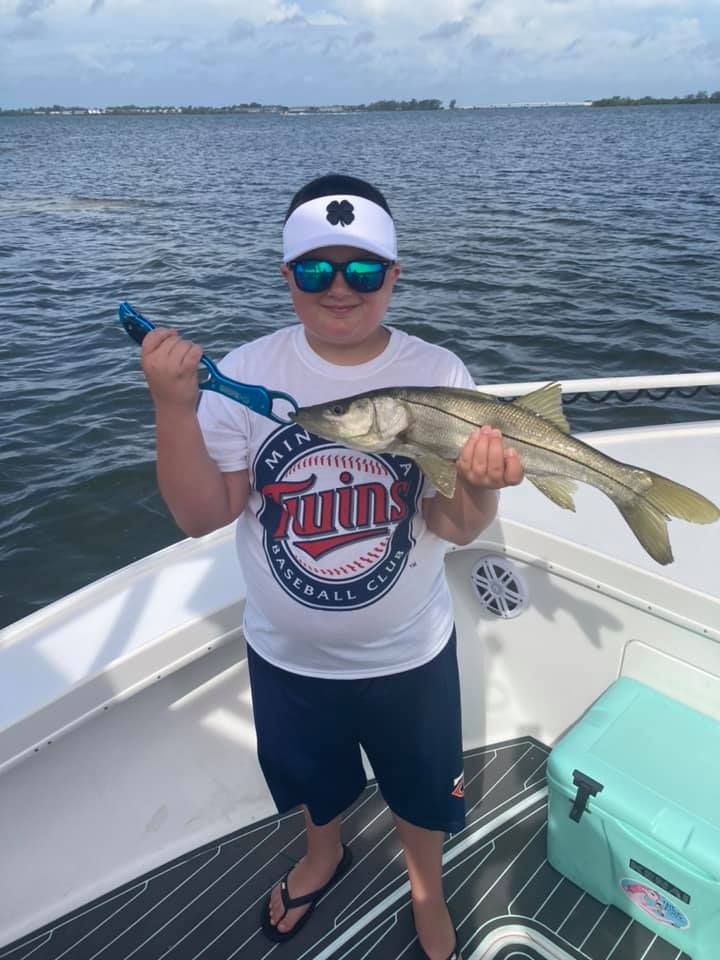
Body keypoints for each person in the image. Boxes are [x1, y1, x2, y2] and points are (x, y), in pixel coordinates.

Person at [140, 173, 524, 960]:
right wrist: (173, 408)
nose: (339, 288)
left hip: (408, 653)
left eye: (363, 269)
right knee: (313, 778)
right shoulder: (249, 371)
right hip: (287, 657)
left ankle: (426, 884)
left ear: (395, 275)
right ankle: (323, 853)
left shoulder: (440, 374)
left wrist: (479, 492)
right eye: (316, 269)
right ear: (287, 277)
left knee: (420, 790)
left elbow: (450, 522)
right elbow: (201, 514)